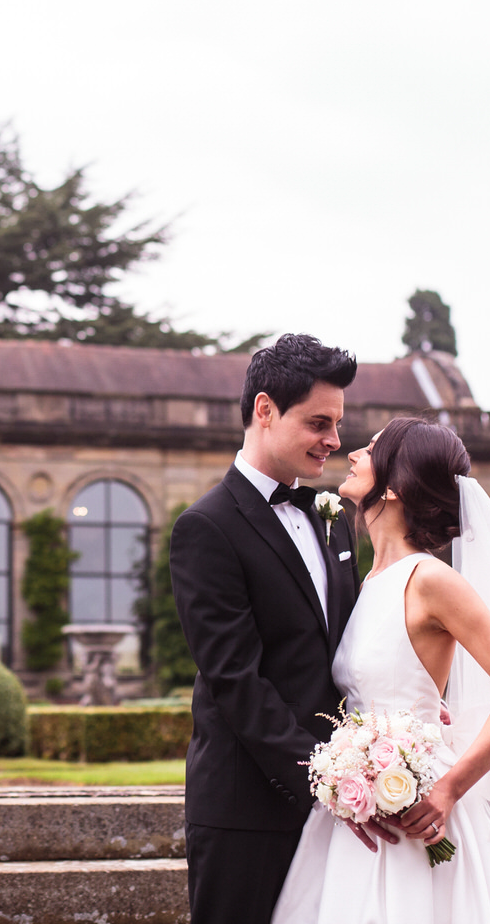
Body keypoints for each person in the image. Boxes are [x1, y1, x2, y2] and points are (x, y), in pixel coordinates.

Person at [270, 417, 490, 924]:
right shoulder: (368, 580)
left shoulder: (431, 578)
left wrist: (449, 787)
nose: (352, 454)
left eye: (369, 449)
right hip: (359, 803)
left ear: (393, 487)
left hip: (418, 804)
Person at [170, 334, 364, 924]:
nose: (334, 440)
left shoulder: (333, 519)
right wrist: (326, 778)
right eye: (318, 423)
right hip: (247, 811)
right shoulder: (205, 528)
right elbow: (236, 681)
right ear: (264, 410)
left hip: (346, 804)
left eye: (337, 423)